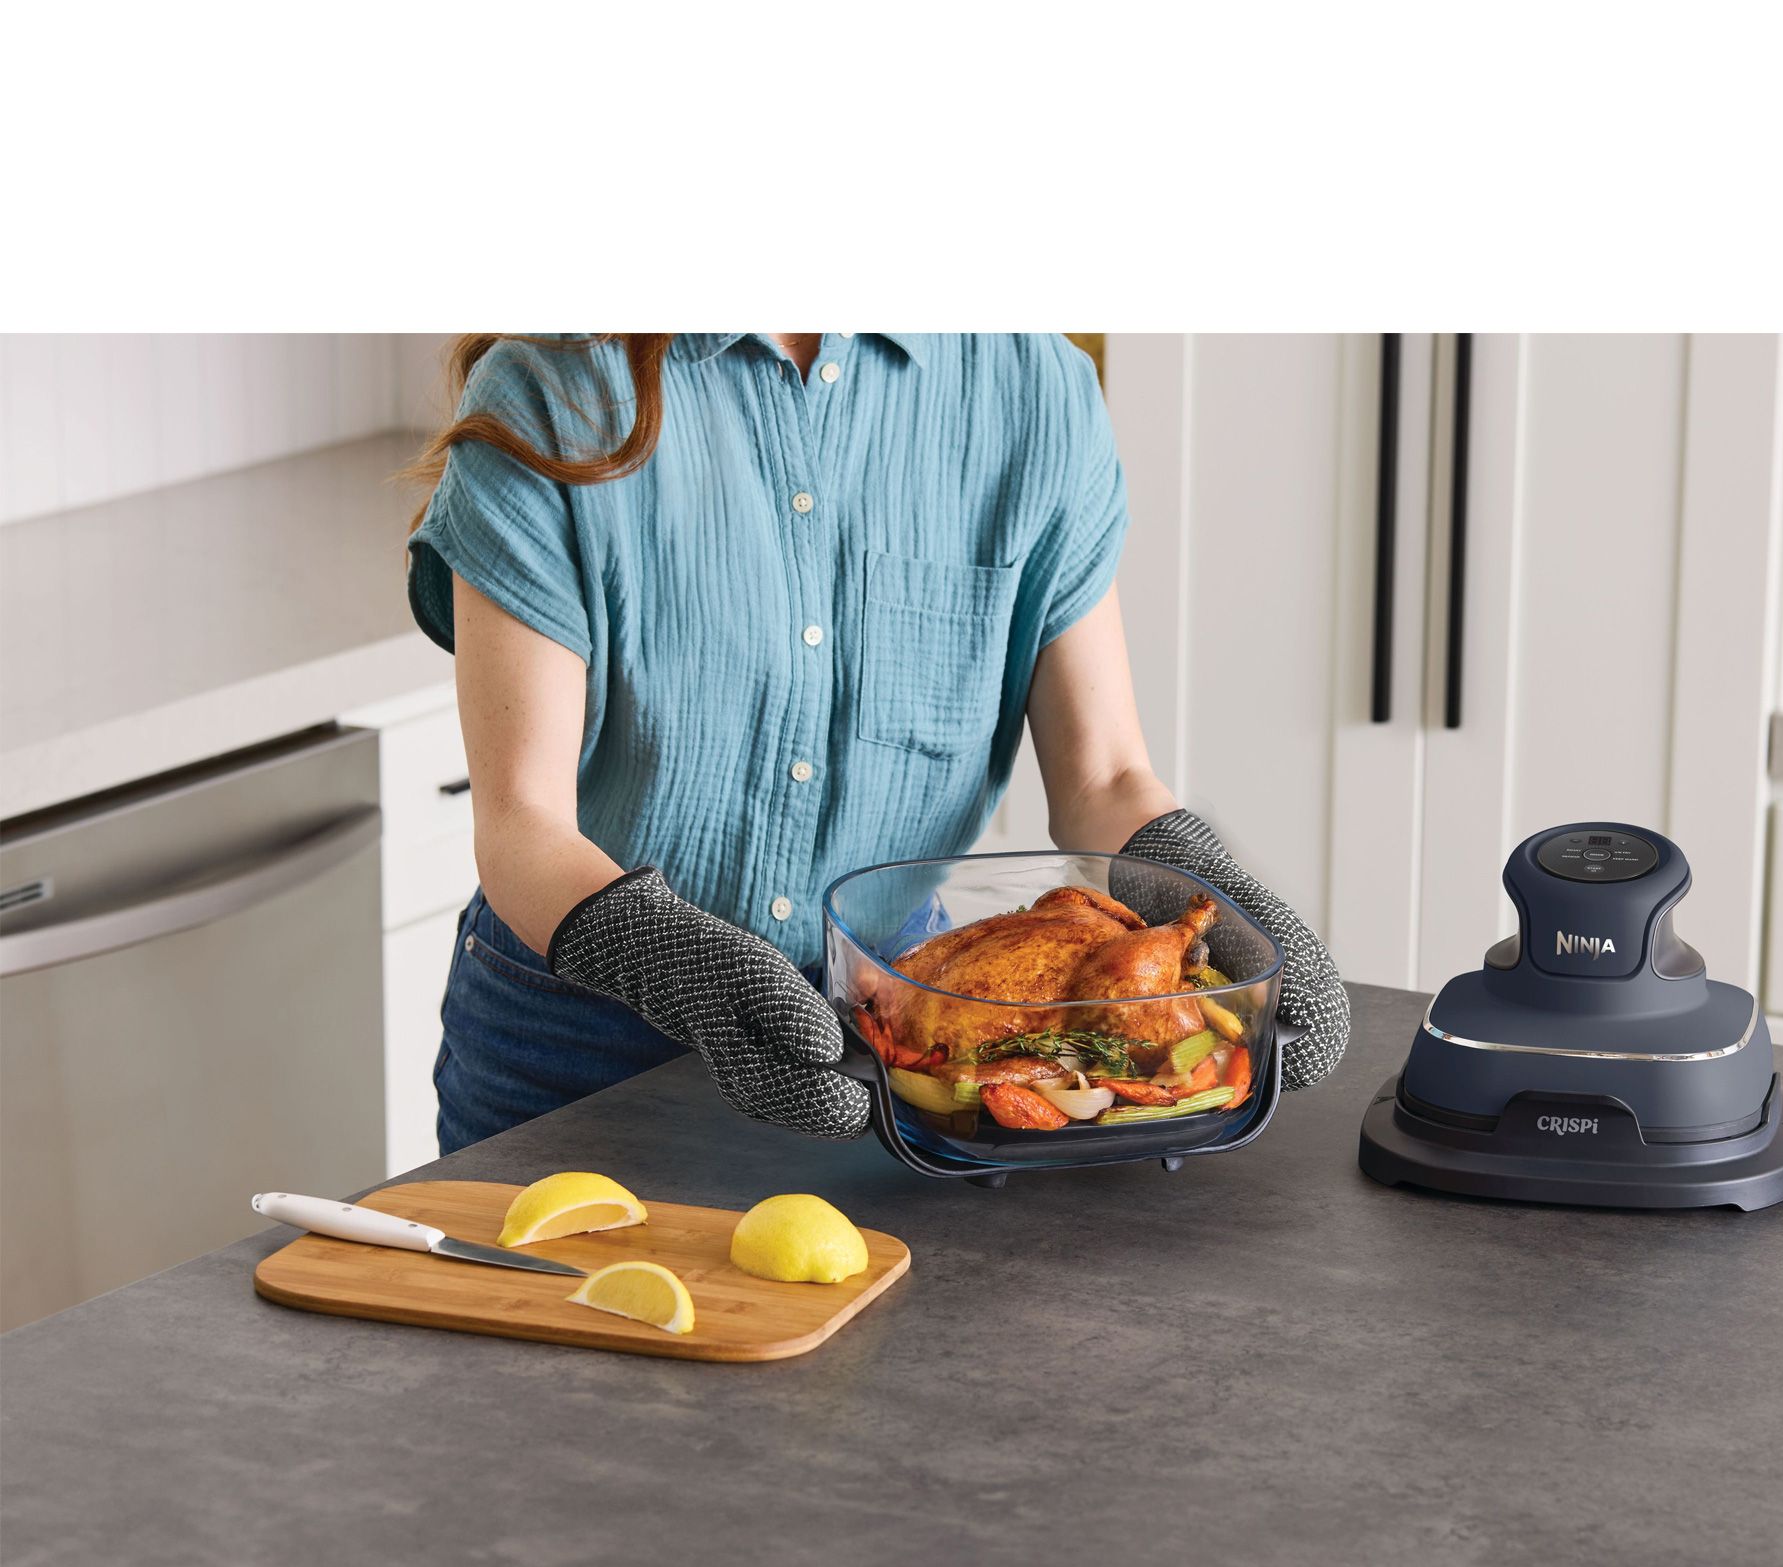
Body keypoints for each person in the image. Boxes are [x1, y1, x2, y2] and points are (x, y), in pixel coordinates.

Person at [406, 333, 1346, 1151]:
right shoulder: (554, 388)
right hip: (575, 1043)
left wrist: (1215, 899)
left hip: (903, 1033)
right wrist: (676, 967)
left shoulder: (1033, 389)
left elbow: (1103, 778)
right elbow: (521, 822)